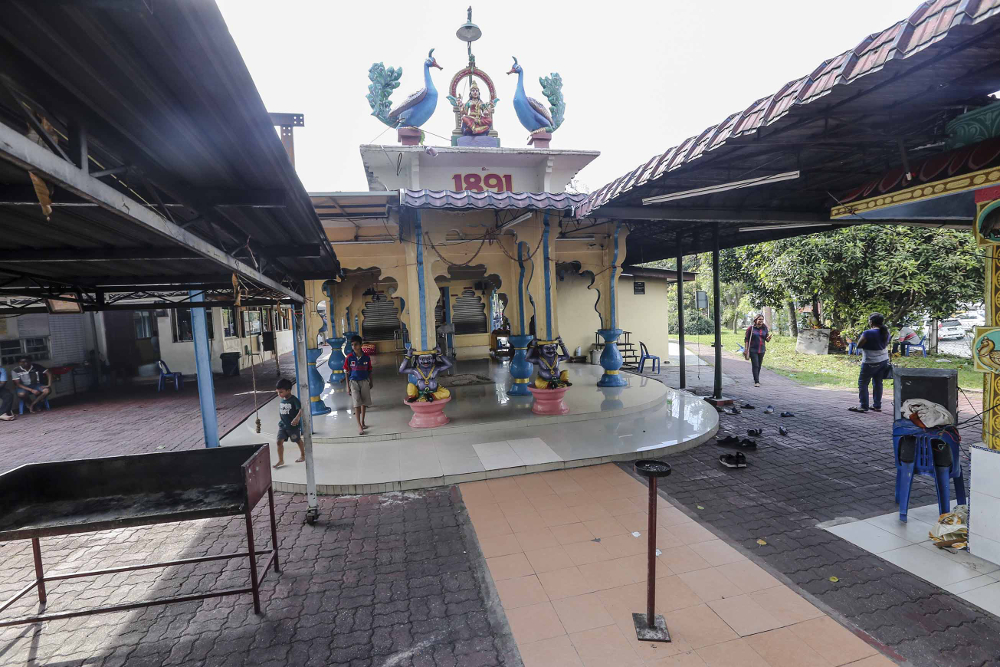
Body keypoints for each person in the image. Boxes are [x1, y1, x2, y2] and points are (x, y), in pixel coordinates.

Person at [850, 312, 890, 413]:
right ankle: (877, 405)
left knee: (863, 383)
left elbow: (859, 345)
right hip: (884, 360)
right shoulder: (886, 332)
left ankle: (864, 406)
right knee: (877, 382)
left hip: (870, 361)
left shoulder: (868, 333)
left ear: (871, 322)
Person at [344, 335, 373, 435]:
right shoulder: (349, 357)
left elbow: (369, 370)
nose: (354, 347)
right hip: (353, 382)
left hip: (364, 381)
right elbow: (346, 372)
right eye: (352, 345)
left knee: (364, 402)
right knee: (356, 403)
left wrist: (371, 381)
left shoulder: (366, 357)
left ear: (361, 345)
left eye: (356, 344)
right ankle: (359, 425)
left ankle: (362, 421)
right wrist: (347, 386)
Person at [273, 377, 303, 469]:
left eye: (281, 392)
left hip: (292, 427)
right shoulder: (283, 399)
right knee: (279, 442)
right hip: (283, 425)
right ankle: (281, 460)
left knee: (297, 440)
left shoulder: (294, 400)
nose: (279, 394)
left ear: (289, 390)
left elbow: (301, 409)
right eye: (278, 392)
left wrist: (297, 418)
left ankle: (303, 455)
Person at [743, 314, 772, 387]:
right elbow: (746, 339)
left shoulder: (764, 328)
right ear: (755, 320)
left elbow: (766, 339)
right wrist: (746, 349)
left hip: (762, 349)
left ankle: (756, 377)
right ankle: (757, 381)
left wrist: (768, 338)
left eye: (762, 319)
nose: (761, 321)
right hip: (753, 349)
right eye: (759, 319)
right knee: (755, 365)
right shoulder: (751, 328)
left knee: (759, 365)